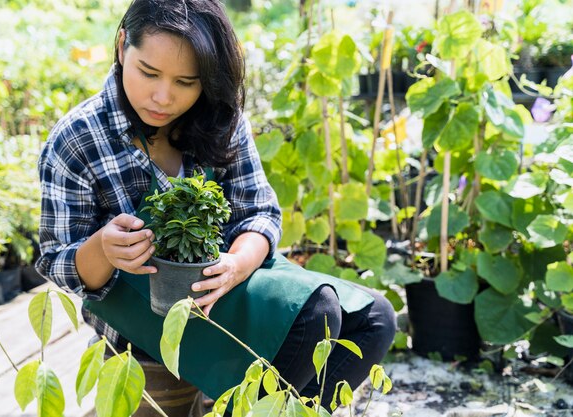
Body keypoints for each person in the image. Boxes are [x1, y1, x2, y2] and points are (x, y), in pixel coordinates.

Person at [36, 0, 396, 414]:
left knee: (375, 318)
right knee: (318, 314)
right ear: (122, 47)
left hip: (224, 283)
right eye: (148, 73)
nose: (162, 96)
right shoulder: (77, 140)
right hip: (144, 319)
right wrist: (103, 247)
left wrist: (236, 265)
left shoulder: (219, 117)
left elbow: (259, 212)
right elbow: (56, 262)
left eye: (186, 82)